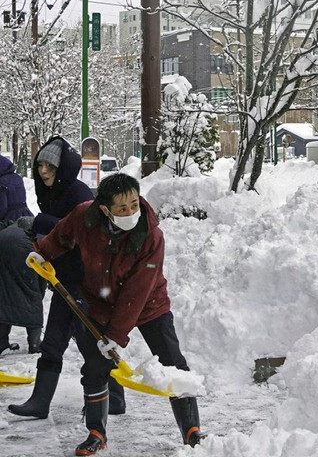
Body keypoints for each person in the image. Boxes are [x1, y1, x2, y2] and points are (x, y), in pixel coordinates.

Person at [27, 173, 203, 455]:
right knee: (96, 366)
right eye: (122, 208)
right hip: (101, 301)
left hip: (149, 304)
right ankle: (96, 432)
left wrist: (116, 336)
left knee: (173, 361)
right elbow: (62, 234)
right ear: (104, 209)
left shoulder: (151, 235)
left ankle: (192, 430)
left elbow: (138, 290)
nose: (131, 212)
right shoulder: (85, 216)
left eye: (134, 204)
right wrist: (43, 252)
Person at [8, 137, 126, 419]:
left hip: (84, 282)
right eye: (40, 166)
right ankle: (41, 402)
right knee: (61, 342)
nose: (44, 172)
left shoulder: (79, 193)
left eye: (50, 166)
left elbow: (81, 233)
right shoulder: (53, 192)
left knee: (88, 341)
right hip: (64, 278)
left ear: (63, 168)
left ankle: (115, 397)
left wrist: (39, 223)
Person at [0, 154, 44, 355]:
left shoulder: (1, 183)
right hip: (24, 223)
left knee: (4, 290)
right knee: (30, 290)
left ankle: (2, 342)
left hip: (7, 228)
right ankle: (34, 343)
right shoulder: (15, 178)